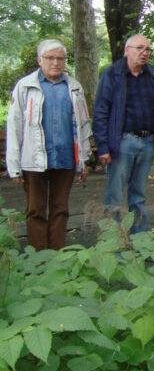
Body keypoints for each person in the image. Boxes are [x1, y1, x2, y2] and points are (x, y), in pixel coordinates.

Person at [5, 39, 92, 250]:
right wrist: (14, 165)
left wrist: (84, 160)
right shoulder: (25, 86)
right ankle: (38, 259)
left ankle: (56, 256)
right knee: (35, 210)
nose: (55, 62)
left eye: (60, 58)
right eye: (50, 58)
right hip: (34, 161)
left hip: (65, 159)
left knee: (60, 209)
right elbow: (14, 126)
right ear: (39, 60)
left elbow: (83, 124)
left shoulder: (73, 87)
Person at [93, 34, 154, 234]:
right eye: (139, 48)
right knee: (115, 196)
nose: (144, 53)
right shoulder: (112, 75)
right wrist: (103, 146)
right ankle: (112, 243)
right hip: (122, 142)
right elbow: (100, 112)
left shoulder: (153, 76)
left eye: (147, 49)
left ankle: (141, 243)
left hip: (148, 142)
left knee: (138, 196)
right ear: (127, 50)